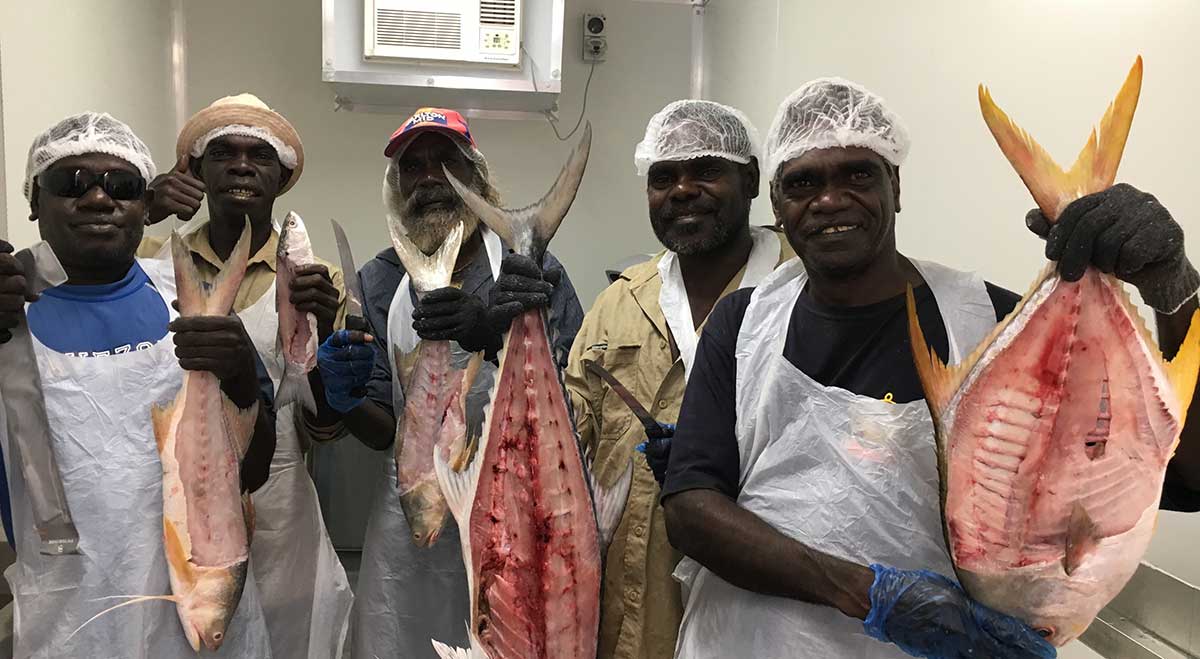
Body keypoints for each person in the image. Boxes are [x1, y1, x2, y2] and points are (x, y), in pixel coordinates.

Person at [656, 78, 1200, 658]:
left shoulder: (988, 319)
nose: (830, 200)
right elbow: (691, 508)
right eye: (803, 183)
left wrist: (1175, 292)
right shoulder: (742, 322)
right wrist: (874, 597)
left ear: (896, 185)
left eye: (859, 174)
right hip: (749, 643)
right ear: (778, 206)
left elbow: (1186, 479)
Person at [0, 112, 276, 657]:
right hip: (72, 613)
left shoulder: (192, 296)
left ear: (144, 206)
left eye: (122, 186)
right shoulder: (8, 311)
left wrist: (243, 376)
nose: (98, 199)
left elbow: (258, 466)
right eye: (70, 183)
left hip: (205, 603)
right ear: (34, 202)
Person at [322, 107, 584, 659]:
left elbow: (576, 407)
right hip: (408, 530)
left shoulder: (527, 266)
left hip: (513, 518)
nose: (430, 177)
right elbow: (380, 430)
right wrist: (342, 398)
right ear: (398, 188)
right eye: (413, 167)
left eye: (447, 161)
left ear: (477, 177)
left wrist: (495, 336)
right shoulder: (378, 279)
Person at [563, 99, 793, 659]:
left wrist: (718, 467)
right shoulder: (618, 302)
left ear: (752, 180)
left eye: (706, 170)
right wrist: (504, 344)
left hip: (765, 607)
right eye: (663, 177)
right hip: (628, 612)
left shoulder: (806, 288)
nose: (682, 190)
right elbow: (569, 438)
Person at [140, 94, 353, 659]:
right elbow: (48, 282)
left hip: (281, 502)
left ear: (281, 177)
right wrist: (142, 207)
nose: (241, 166)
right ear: (195, 170)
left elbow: (329, 427)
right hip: (179, 494)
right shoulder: (150, 262)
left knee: (288, 639)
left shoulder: (318, 279)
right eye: (224, 153)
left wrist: (326, 336)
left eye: (259, 156)